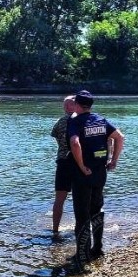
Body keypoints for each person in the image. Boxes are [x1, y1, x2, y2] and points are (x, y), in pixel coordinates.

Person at [67, 90, 124, 269]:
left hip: (82, 175)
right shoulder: (100, 120)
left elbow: (75, 143)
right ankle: (97, 248)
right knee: (97, 209)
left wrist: (82, 165)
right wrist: (114, 160)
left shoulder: (75, 122)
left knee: (81, 215)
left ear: (77, 104)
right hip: (100, 173)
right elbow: (119, 137)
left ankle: (82, 254)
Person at [50, 95, 78, 236]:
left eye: (65, 105)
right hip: (79, 162)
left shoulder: (60, 122)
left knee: (59, 199)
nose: (65, 107)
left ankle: (55, 230)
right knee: (82, 197)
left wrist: (63, 149)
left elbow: (57, 138)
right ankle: (82, 227)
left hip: (63, 161)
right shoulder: (82, 120)